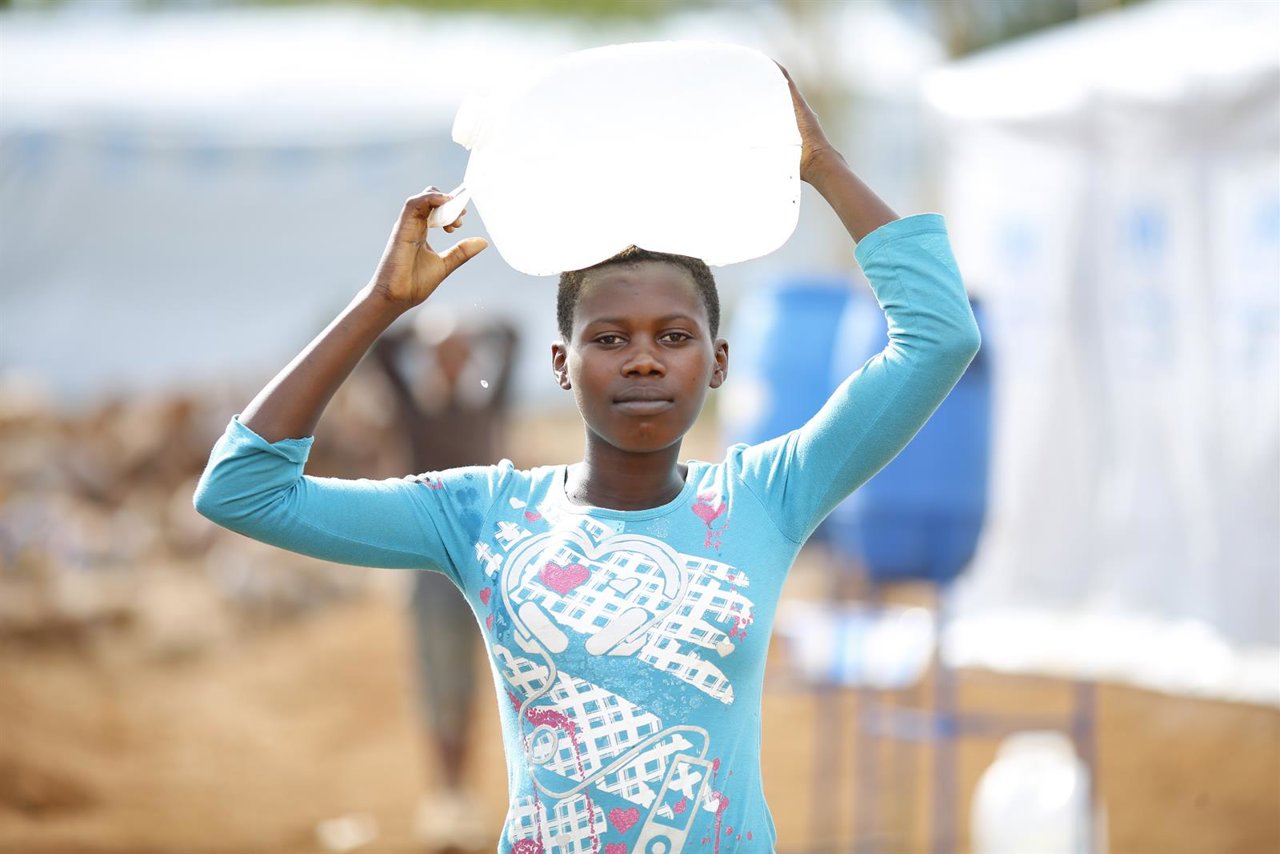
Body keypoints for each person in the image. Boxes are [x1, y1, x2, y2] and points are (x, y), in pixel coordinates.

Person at [194, 70, 980, 853]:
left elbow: (941, 335)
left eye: (674, 336)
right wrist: (382, 304)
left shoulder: (765, 497)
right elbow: (241, 490)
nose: (643, 360)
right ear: (562, 364)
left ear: (718, 362)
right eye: (609, 339)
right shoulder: (481, 516)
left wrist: (823, 166)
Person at [370, 313, 518, 848]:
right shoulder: (417, 416)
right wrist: (425, 334)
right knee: (438, 682)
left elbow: (514, 335)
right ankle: (445, 796)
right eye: (443, 353)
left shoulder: (485, 409)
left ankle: (462, 795)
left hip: (481, 568)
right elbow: (382, 353)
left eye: (459, 352)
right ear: (431, 361)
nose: (452, 360)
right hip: (430, 569)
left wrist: (474, 331)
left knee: (477, 685)